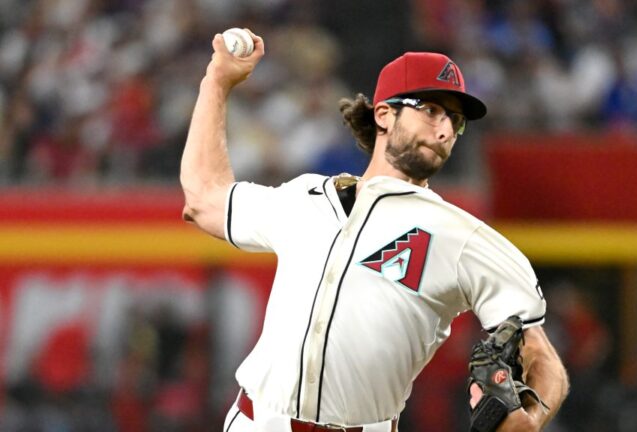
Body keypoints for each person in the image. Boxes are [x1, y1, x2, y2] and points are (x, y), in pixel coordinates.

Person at [180, 29, 569, 432]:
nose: (445, 130)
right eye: (431, 110)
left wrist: (532, 417)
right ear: (384, 114)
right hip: (254, 422)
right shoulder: (305, 198)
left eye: (455, 120)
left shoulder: (464, 237)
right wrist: (217, 82)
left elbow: (539, 353)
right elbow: (204, 199)